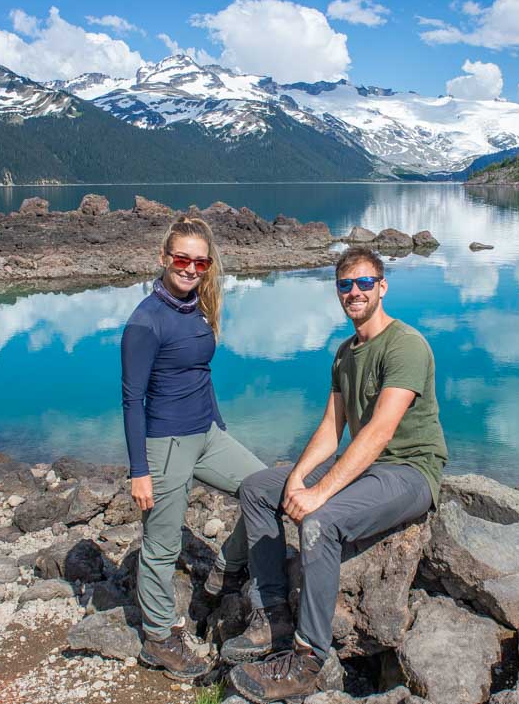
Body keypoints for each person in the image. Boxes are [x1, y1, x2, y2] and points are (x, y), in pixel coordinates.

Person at [224, 246, 449, 704]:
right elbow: (332, 429)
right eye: (345, 285)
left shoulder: (405, 344)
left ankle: (308, 659)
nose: (355, 292)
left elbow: (380, 433)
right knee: (257, 489)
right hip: (368, 465)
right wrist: (296, 479)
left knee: (320, 522)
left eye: (365, 283)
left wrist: (320, 493)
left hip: (408, 470)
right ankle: (274, 616)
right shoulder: (345, 353)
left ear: (382, 287)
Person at [121, 215, 266, 681]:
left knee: (266, 489)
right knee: (161, 548)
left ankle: (227, 566)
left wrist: (218, 422)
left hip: (206, 434)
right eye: (181, 258)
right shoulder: (146, 321)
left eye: (199, 261)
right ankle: (159, 639)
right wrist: (138, 470)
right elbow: (131, 399)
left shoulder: (197, 307)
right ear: (164, 258)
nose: (190, 268)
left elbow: (200, 374)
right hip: (165, 444)